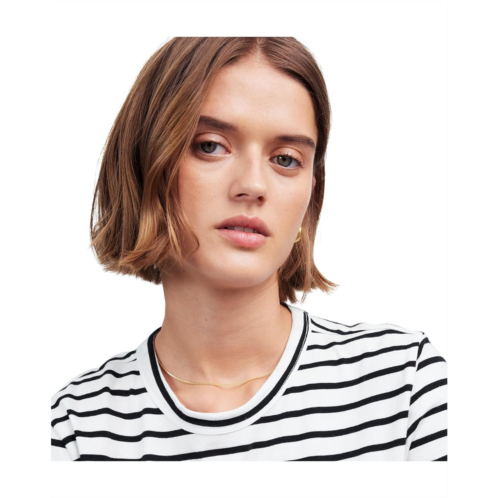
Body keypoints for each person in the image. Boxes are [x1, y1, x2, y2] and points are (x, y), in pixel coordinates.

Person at [50, 37, 448, 461]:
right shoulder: (77, 428)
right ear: (145, 164)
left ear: (310, 194)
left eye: (286, 159)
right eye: (210, 146)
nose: (254, 186)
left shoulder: (405, 387)